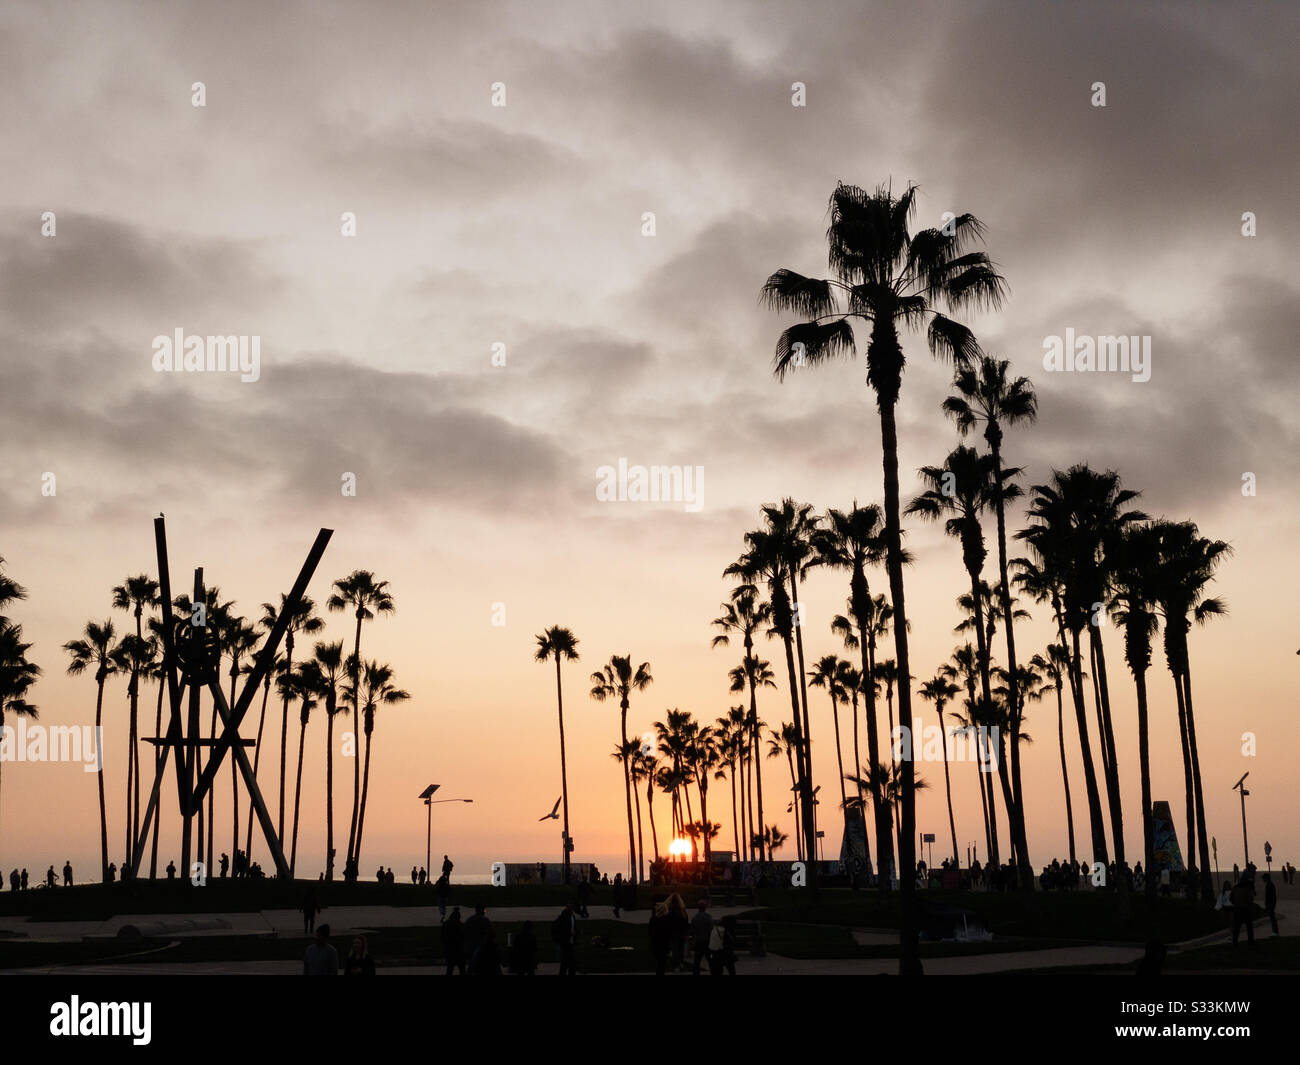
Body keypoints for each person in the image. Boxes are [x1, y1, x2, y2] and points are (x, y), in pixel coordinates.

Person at [551, 903, 577, 976]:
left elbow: (573, 928)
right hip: (566, 943)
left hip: (570, 942)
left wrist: (576, 932)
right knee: (570, 962)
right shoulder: (563, 918)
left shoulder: (572, 917)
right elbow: (556, 928)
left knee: (566, 962)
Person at [648, 900, 673, 976]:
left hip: (656, 944)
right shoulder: (667, 920)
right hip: (664, 945)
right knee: (662, 964)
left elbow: (650, 932)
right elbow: (669, 933)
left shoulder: (653, 919)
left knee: (659, 963)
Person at [690, 898, 714, 975]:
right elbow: (711, 928)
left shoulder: (695, 918)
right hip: (707, 941)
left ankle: (696, 973)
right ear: (705, 908)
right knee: (710, 959)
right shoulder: (708, 917)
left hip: (698, 941)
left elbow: (692, 930)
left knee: (697, 960)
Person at [1229, 877, 1255, 946]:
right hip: (1245, 909)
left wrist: (1235, 903)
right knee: (1249, 926)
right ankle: (1250, 941)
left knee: (1237, 927)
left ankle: (1235, 941)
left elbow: (1231, 899)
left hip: (1237, 909)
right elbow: (1250, 899)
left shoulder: (1235, 888)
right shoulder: (1247, 889)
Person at [666, 894, 689, 970]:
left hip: (674, 933)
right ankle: (681, 963)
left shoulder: (671, 911)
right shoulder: (683, 911)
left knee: (675, 950)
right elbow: (686, 923)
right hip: (682, 933)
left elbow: (668, 924)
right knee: (681, 950)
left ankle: (676, 965)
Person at [441, 907, 466, 975]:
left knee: (450, 968)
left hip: (449, 949)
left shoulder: (446, 924)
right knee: (462, 968)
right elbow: (463, 936)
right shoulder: (459, 925)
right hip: (458, 950)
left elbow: (443, 937)